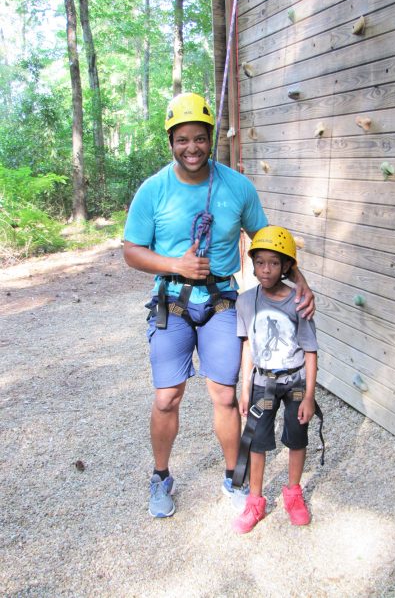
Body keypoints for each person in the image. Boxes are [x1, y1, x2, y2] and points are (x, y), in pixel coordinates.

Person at [123, 93, 315, 518]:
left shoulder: (235, 187)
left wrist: (299, 281)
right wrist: (176, 264)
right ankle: (161, 477)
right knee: (167, 397)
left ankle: (235, 476)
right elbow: (132, 251)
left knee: (225, 395)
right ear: (170, 142)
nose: (192, 148)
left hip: (221, 302)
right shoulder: (154, 190)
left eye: (199, 139)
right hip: (170, 302)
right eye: (182, 139)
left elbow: (268, 241)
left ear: (211, 139)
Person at [232, 225, 318, 534]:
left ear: (286, 267)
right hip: (262, 383)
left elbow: (310, 349)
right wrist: (245, 390)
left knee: (297, 437)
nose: (266, 269)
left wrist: (309, 394)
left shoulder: (299, 300)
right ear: (252, 263)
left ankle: (293, 493)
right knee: (257, 441)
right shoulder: (244, 301)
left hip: (294, 382)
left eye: (274, 263)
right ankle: (255, 500)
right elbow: (247, 346)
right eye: (260, 262)